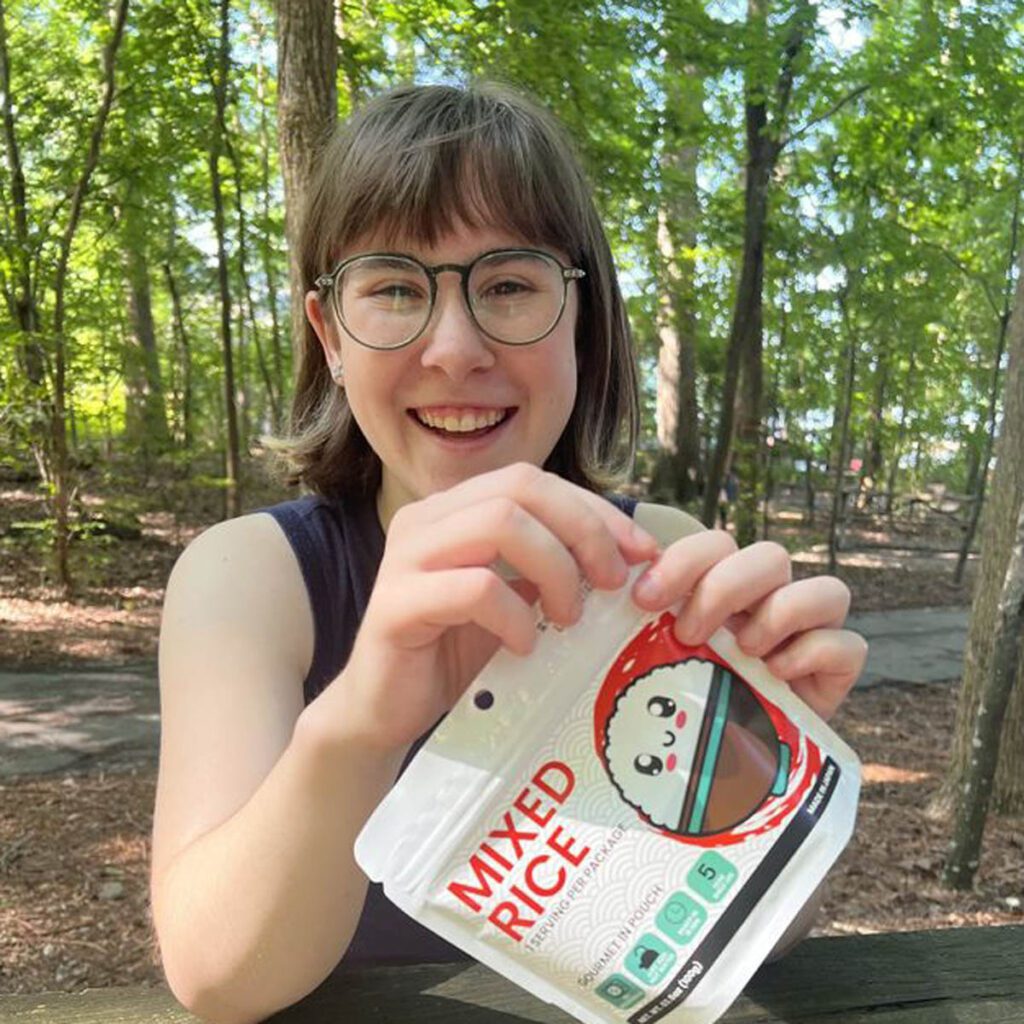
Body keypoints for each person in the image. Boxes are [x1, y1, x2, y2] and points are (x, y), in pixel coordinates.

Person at [150, 83, 867, 1024]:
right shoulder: (251, 577)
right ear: (329, 335)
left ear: (581, 316)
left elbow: (768, 929)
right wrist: (365, 719)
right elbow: (215, 976)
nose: (455, 348)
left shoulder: (664, 564)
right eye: (397, 288)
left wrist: (769, 776)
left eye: (509, 285)